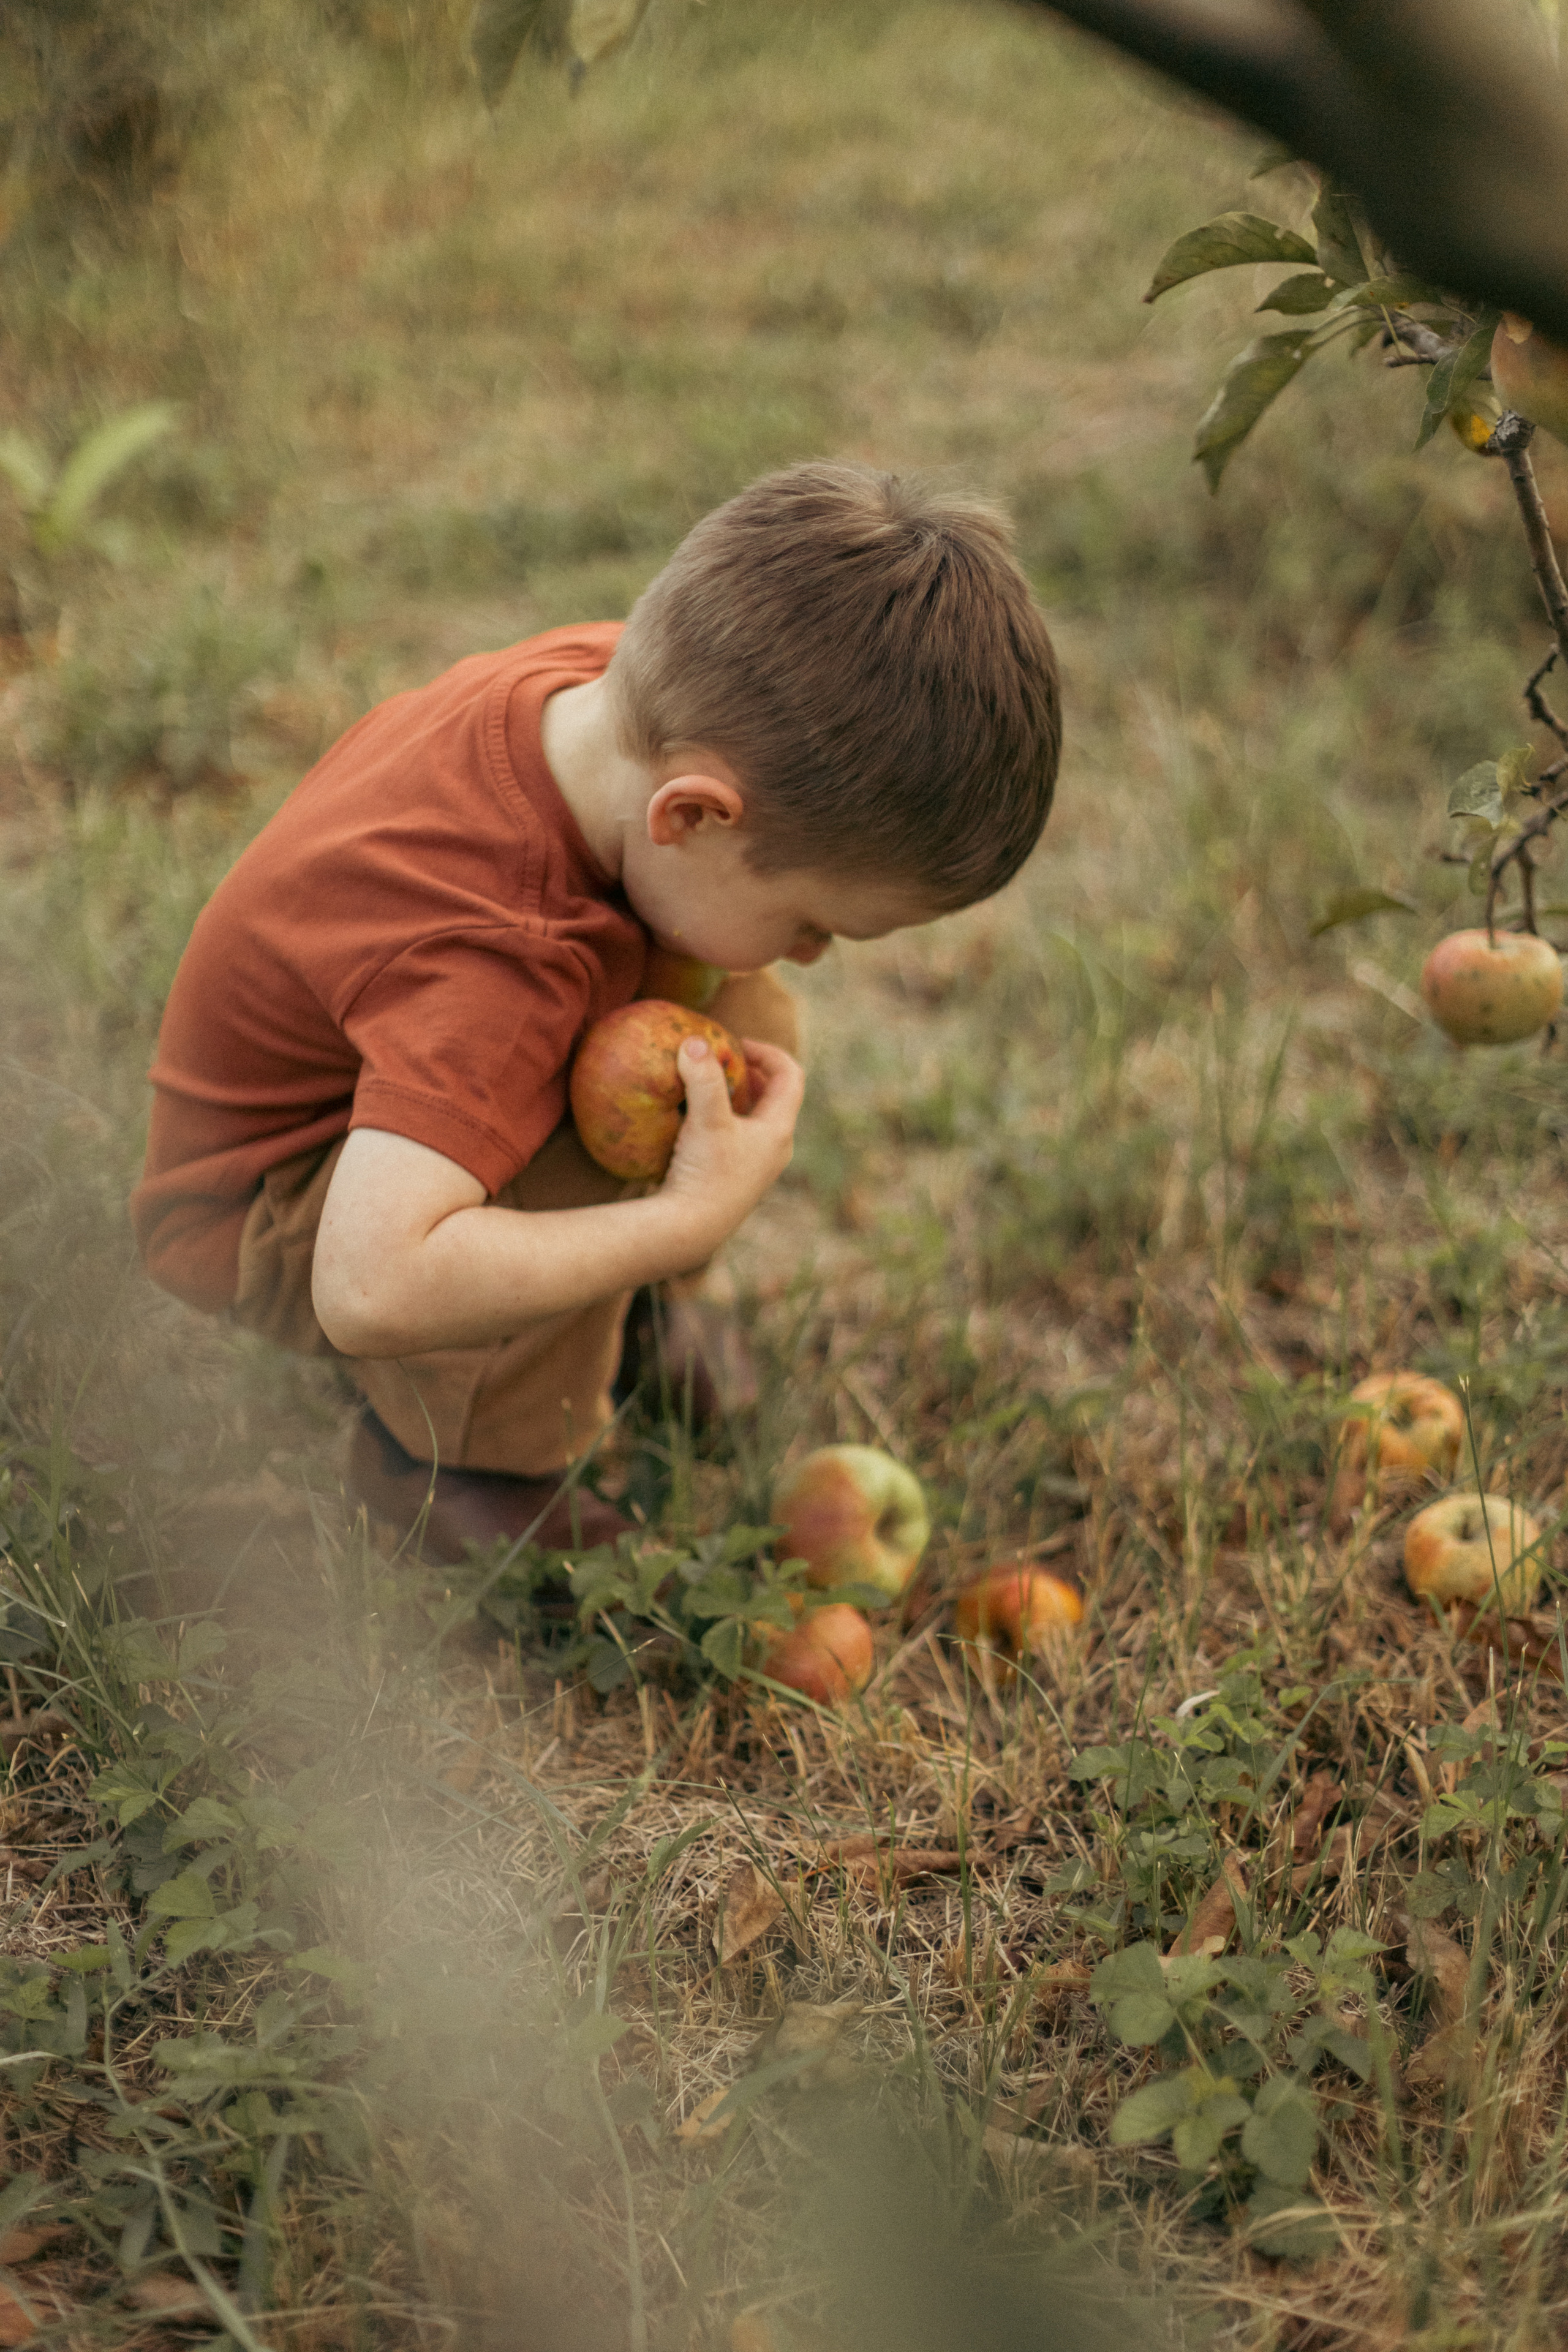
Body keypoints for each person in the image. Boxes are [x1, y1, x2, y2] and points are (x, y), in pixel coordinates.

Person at [130, 462, 1061, 1561]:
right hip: (266, 1209)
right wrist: (678, 1225)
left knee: (741, 1018)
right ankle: (465, 1466)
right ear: (693, 815)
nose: (813, 953)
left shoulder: (614, 692)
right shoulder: (496, 963)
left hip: (389, 1099)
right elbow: (368, 1286)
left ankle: (626, 1316)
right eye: (816, 922)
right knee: (592, 1144)